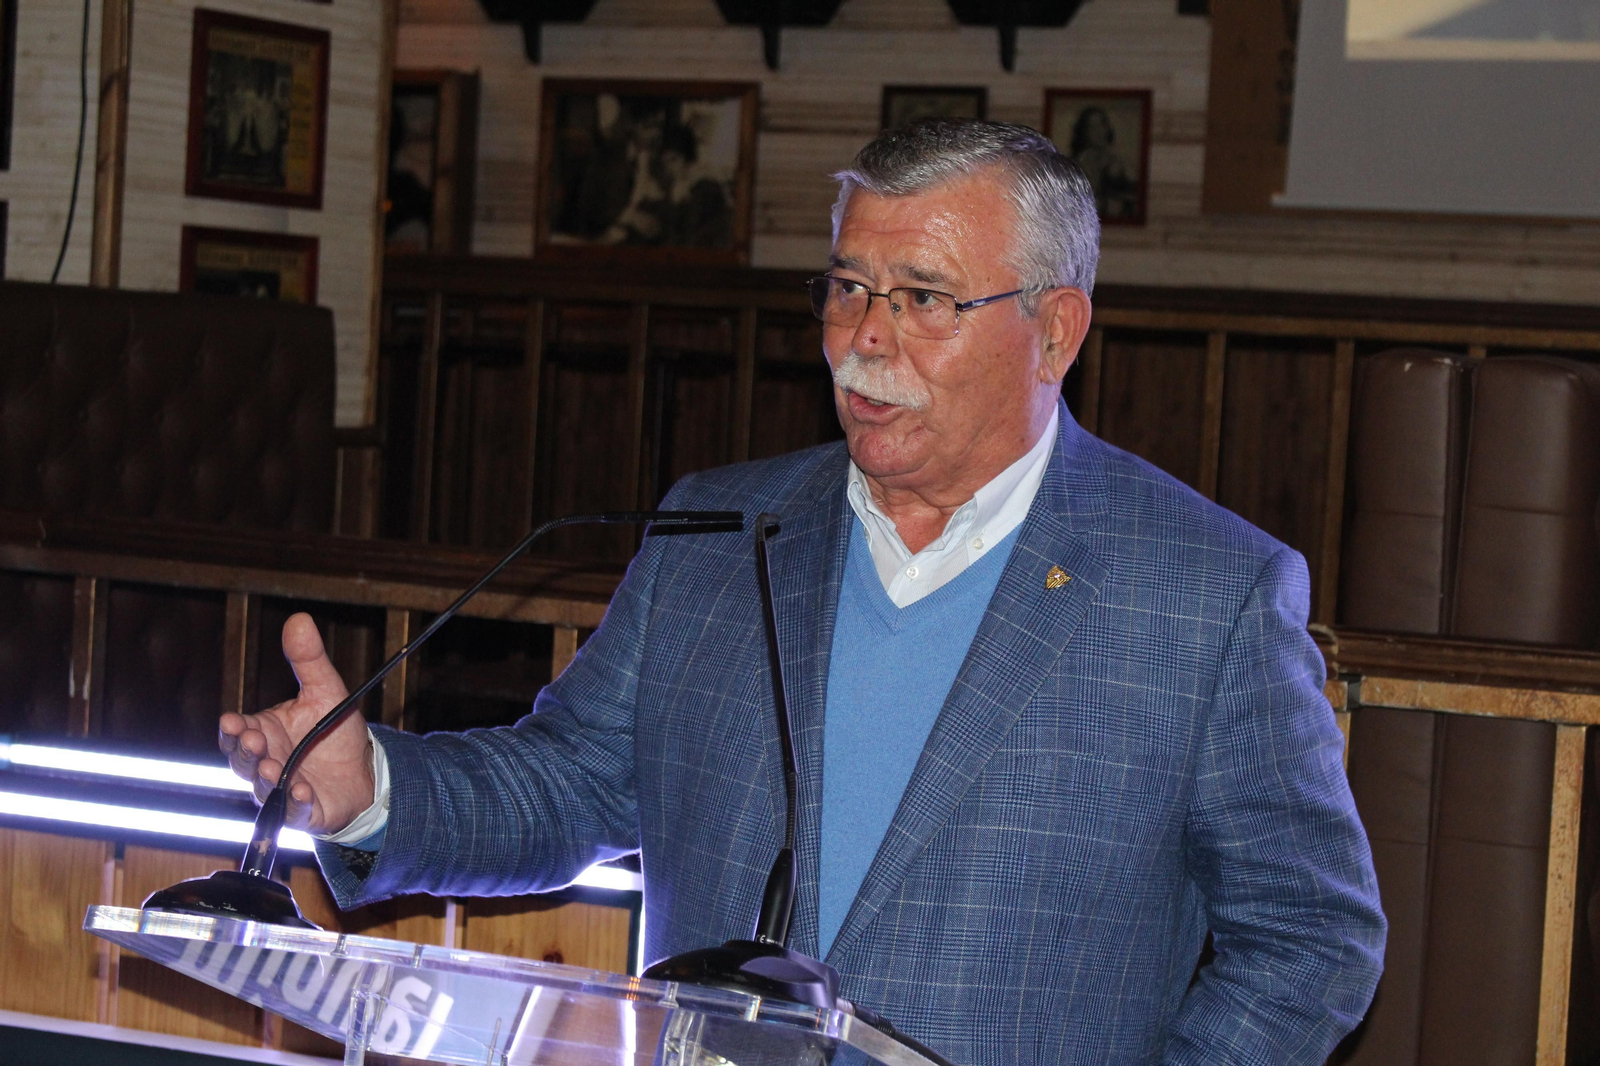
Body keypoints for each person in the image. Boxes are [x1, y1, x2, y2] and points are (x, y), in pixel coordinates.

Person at [221, 119, 1384, 1065]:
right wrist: (372, 788)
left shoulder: (1205, 595)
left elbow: (1310, 935)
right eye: (847, 288)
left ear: (1053, 331)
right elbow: (568, 783)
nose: (863, 340)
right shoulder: (719, 533)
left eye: (923, 298)